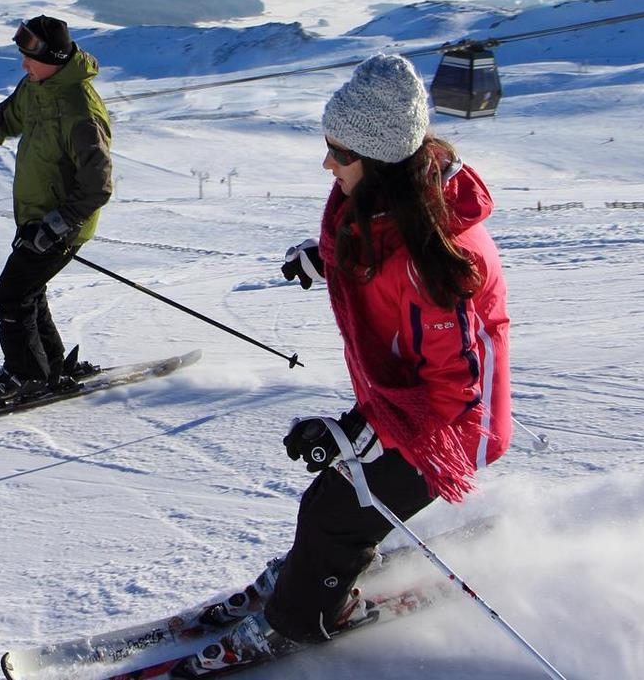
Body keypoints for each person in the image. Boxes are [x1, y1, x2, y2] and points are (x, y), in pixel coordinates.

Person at [180, 54, 513, 675]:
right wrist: (328, 260)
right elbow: (375, 253)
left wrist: (364, 433)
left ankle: (304, 614)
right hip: (403, 400)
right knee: (335, 501)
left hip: (452, 426)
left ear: (381, 161)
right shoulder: (392, 207)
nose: (327, 163)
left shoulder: (436, 260)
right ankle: (318, 566)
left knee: (336, 512)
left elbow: (459, 389)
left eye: (339, 152)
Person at [0, 15, 114, 409]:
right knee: (28, 291)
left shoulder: (81, 110)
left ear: (55, 57)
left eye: (30, 58)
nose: (24, 66)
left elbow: (97, 184)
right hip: (35, 218)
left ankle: (25, 375)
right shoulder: (36, 88)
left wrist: (55, 226)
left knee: (11, 295)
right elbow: (1, 122)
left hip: (63, 224)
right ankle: (49, 367)